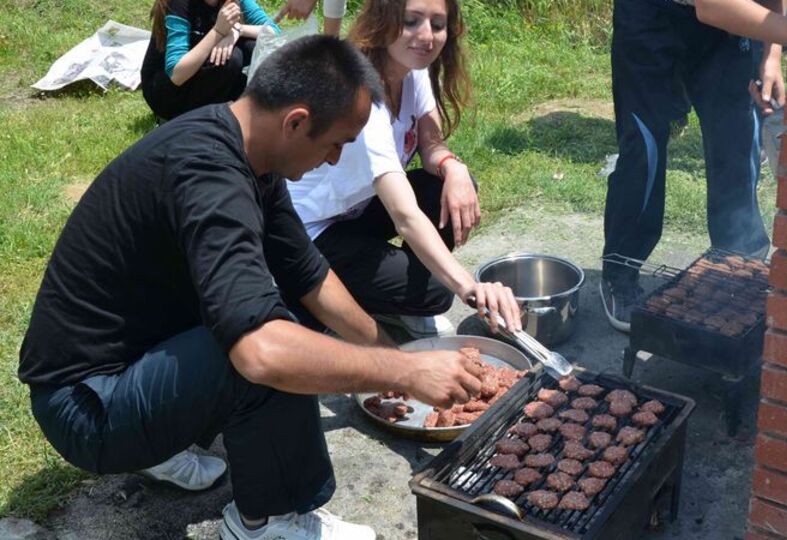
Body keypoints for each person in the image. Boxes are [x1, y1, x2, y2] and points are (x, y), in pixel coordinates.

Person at [20, 36, 486, 540]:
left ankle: (165, 441)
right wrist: (408, 371)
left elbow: (307, 272)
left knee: (279, 311)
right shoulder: (207, 175)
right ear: (296, 122)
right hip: (85, 407)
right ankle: (265, 522)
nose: (334, 160)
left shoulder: (246, 150)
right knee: (268, 341)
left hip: (131, 359)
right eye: (336, 144)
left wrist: (390, 356)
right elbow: (262, 354)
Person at [286, 0, 523, 339]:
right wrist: (468, 287)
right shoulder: (362, 96)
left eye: (437, 25)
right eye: (411, 21)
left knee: (448, 185)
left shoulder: (413, 69)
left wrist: (454, 168)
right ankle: (327, 300)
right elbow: (405, 216)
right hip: (311, 228)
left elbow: (431, 144)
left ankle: (393, 299)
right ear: (383, 20)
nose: (426, 36)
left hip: (354, 208)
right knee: (437, 291)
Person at [600, 0, 787, 332]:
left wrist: (771, 56)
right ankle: (621, 270)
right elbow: (711, 6)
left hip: (725, 31)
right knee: (644, 149)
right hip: (650, 16)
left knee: (737, 139)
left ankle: (739, 263)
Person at [141, 0, 280, 120]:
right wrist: (218, 31)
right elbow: (176, 73)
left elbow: (273, 31)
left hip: (200, 77)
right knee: (231, 58)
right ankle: (204, 118)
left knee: (252, 47)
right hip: (166, 93)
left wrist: (237, 30)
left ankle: (240, 109)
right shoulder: (179, 3)